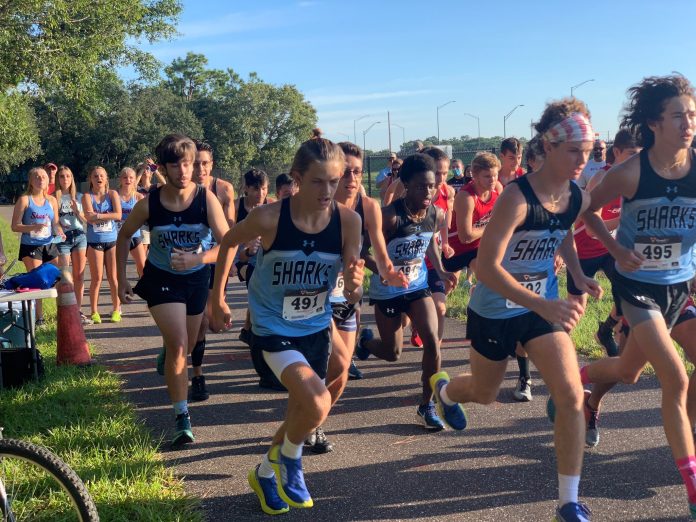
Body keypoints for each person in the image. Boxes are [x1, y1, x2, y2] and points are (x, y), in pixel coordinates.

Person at [431, 100, 600, 521]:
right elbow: (486, 268)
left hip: (541, 309)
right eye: (575, 151)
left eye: (589, 150)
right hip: (494, 309)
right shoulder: (516, 198)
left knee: (571, 396)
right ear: (550, 146)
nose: (584, 159)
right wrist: (543, 301)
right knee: (485, 393)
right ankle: (447, 391)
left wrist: (578, 276)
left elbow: (562, 234)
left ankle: (568, 500)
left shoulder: (575, 194)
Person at [210, 137, 364, 514]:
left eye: (334, 181)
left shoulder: (348, 222)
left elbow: (351, 286)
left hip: (314, 326)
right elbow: (228, 243)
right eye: (318, 182)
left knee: (305, 409)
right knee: (316, 401)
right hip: (272, 328)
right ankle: (292, 459)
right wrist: (217, 298)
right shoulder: (270, 217)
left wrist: (357, 286)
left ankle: (265, 472)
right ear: (297, 178)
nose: (328, 191)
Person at [569, 75, 696, 519]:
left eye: (692, 115)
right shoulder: (630, 172)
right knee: (675, 379)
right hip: (638, 289)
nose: (688, 124)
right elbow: (585, 209)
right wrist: (616, 247)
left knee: (627, 371)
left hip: (679, 287)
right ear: (654, 123)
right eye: (678, 115)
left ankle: (578, 378)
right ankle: (693, 484)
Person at [118, 134, 229, 446]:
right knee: (181, 346)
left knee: (187, 345)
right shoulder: (150, 203)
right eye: (176, 165)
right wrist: (121, 280)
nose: (183, 171)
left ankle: (168, 353)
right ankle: (182, 418)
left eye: (188, 164)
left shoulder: (206, 199)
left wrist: (198, 258)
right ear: (163, 169)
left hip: (195, 279)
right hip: (161, 279)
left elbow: (227, 243)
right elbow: (124, 235)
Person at [313, 141, 407, 453]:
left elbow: (379, 249)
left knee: (339, 374)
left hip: (348, 295)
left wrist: (388, 272)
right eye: (346, 172)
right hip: (313, 297)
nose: (352, 178)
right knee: (336, 361)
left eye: (357, 171)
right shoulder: (316, 206)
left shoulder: (367, 207)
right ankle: (308, 420)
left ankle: (314, 421)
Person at [356, 153, 454, 431]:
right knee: (392, 352)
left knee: (433, 341)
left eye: (432, 186)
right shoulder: (389, 217)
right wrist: (386, 272)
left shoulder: (433, 213)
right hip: (387, 291)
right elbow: (362, 252)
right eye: (421, 186)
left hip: (417, 286)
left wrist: (442, 269)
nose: (428, 192)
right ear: (406, 185)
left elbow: (430, 244)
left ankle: (427, 405)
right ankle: (365, 344)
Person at [568, 129, 640, 365]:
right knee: (576, 309)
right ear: (616, 153)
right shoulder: (602, 178)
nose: (635, 160)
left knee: (626, 293)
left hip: (609, 249)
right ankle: (559, 352)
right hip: (584, 248)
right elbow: (590, 228)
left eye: (639, 154)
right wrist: (624, 220)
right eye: (630, 154)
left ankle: (606, 331)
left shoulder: (636, 179)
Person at [11, 167, 64, 325]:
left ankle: (62, 315)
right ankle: (39, 318)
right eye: (37, 177)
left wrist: (60, 232)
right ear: (31, 181)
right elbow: (14, 226)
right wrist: (32, 228)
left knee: (59, 278)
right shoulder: (25, 200)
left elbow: (55, 223)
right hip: (31, 246)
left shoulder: (52, 200)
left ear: (48, 180)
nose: (41, 179)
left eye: (43, 177)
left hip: (49, 244)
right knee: (38, 282)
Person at [443, 152, 500, 285]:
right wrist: (492, 226)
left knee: (491, 279)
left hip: (479, 247)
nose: (493, 180)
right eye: (487, 176)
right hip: (456, 251)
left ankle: (478, 295)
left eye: (495, 175)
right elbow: (465, 237)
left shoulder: (496, 189)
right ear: (475, 176)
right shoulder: (467, 197)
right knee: (446, 290)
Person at [83, 166, 122, 324]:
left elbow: (118, 215)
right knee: (96, 278)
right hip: (95, 242)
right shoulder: (87, 196)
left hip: (112, 241)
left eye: (101, 176)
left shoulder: (112, 194)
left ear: (106, 178)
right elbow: (88, 217)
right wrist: (106, 216)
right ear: (90, 179)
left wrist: (98, 215)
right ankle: (94, 311)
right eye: (95, 176)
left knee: (113, 278)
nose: (98, 178)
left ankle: (116, 309)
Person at [55, 165, 89, 324]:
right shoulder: (55, 197)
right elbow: (54, 221)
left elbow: (85, 220)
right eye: (62, 176)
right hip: (63, 239)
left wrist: (77, 211)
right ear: (58, 179)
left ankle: (78, 310)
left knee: (79, 275)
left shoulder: (80, 196)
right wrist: (60, 229)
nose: (65, 179)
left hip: (80, 236)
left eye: (68, 176)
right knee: (64, 276)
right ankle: (63, 310)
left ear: (72, 178)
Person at [117, 167, 146, 277]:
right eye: (125, 177)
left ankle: (145, 290)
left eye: (131, 178)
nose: (128, 180)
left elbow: (145, 216)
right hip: (118, 237)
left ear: (135, 180)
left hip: (135, 235)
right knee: (119, 269)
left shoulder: (138, 196)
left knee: (143, 267)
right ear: (120, 179)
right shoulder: (114, 195)